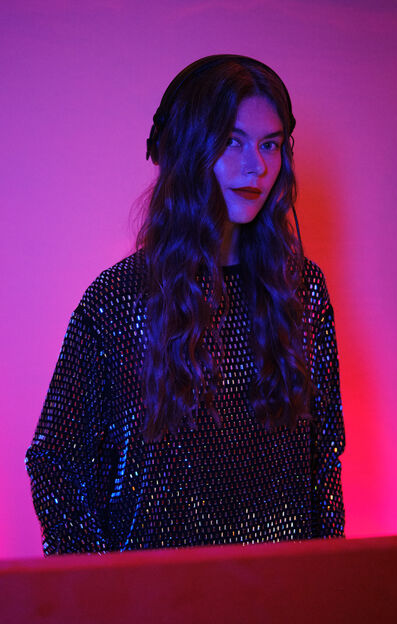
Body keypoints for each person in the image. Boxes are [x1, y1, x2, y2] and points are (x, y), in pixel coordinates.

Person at [26, 54, 345, 555]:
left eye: (270, 144)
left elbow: (323, 456)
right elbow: (56, 462)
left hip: (283, 587)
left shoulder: (301, 289)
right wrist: (99, 585)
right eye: (232, 141)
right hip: (154, 591)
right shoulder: (118, 301)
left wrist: (329, 574)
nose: (256, 165)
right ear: (189, 149)